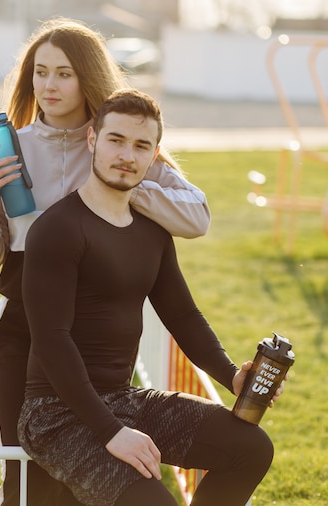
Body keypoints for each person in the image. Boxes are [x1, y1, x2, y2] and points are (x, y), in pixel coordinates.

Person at [0, 18, 211, 506]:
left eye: (65, 73)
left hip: (95, 334)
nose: (49, 85)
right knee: (24, 474)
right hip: (24, 328)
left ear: (88, 77)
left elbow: (196, 215)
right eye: (40, 72)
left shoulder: (117, 140)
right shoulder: (10, 148)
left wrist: (122, 181)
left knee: (91, 472)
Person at [18, 88, 279, 506]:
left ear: (154, 154)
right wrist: (112, 432)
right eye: (116, 140)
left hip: (123, 399)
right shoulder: (57, 229)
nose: (127, 155)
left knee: (251, 449)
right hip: (56, 413)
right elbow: (51, 339)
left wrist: (232, 375)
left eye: (141, 145)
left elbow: (183, 314)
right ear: (92, 140)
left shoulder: (151, 231)